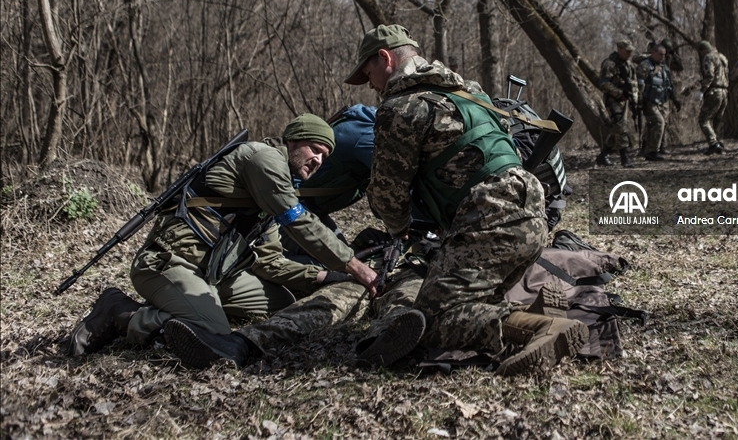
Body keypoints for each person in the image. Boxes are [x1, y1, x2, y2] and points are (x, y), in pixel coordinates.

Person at [341, 24, 586, 376]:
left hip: (489, 218)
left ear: (385, 58)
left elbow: (387, 195)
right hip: (532, 208)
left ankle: (540, 329)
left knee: (433, 319)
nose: (371, 85)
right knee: (470, 301)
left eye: (369, 74)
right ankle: (538, 310)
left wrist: (402, 229)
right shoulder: (467, 90)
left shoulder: (401, 108)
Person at [66, 115, 378, 360]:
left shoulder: (270, 190)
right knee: (212, 332)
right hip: (170, 262)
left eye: (325, 156)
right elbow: (297, 220)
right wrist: (354, 266)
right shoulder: (264, 159)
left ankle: (188, 304)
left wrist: (323, 277)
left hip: (214, 276)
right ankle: (121, 312)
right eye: (315, 150)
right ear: (294, 140)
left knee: (285, 299)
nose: (319, 161)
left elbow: (269, 262)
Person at [597, 40, 639, 167]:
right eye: (627, 51)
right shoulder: (609, 64)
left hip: (625, 101)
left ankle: (603, 156)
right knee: (621, 127)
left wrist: (634, 100)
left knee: (617, 129)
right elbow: (604, 84)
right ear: (619, 49)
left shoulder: (628, 65)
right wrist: (619, 93)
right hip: (613, 100)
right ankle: (624, 158)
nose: (629, 54)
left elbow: (634, 84)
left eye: (631, 51)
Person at [636, 43, 681, 160]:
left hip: (662, 101)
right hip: (649, 101)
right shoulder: (645, 66)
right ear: (653, 53)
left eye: (664, 55)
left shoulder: (664, 67)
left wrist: (675, 99)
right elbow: (639, 86)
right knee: (658, 122)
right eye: (660, 54)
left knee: (656, 124)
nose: (662, 57)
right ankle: (652, 151)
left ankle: (649, 149)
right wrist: (639, 102)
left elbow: (669, 85)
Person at [696, 41, 729, 155]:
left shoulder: (708, 57)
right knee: (717, 119)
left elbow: (709, 75)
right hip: (724, 91)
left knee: (703, 120)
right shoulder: (722, 57)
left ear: (703, 50)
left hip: (714, 91)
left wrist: (702, 90)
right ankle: (718, 142)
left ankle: (713, 143)